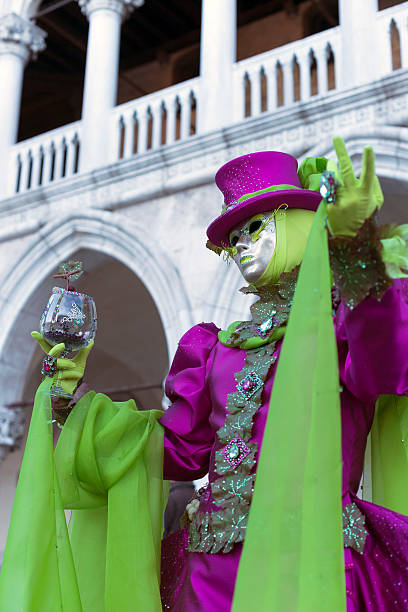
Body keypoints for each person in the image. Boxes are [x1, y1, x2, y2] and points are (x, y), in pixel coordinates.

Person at [1, 138, 408, 612]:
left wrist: (355, 254)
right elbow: (174, 449)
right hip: (211, 577)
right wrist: (78, 406)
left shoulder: (343, 323)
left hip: (312, 562)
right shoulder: (218, 348)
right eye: (233, 239)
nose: (242, 247)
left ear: (298, 220)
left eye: (255, 227)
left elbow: (387, 364)